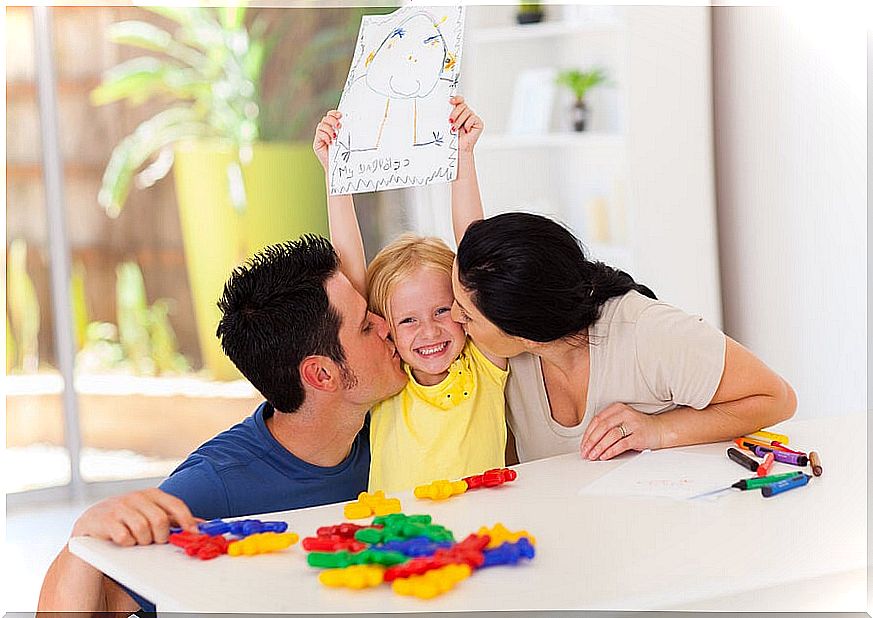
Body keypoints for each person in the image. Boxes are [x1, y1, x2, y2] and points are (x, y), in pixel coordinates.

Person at [38, 236, 407, 612]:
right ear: (322, 375)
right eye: (365, 326)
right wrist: (83, 540)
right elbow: (101, 601)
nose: (386, 325)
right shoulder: (215, 485)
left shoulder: (392, 421)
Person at [451, 212, 797, 463]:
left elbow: (777, 397)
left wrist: (659, 430)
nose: (454, 317)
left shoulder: (648, 333)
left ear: (526, 334)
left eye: (466, 314)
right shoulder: (499, 356)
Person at [312, 96, 509, 492]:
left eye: (441, 310)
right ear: (385, 327)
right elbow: (349, 278)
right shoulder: (387, 378)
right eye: (408, 320)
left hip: (482, 536)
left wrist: (464, 156)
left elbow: (478, 259)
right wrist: (337, 174)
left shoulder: (483, 361)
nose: (430, 331)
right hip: (399, 542)